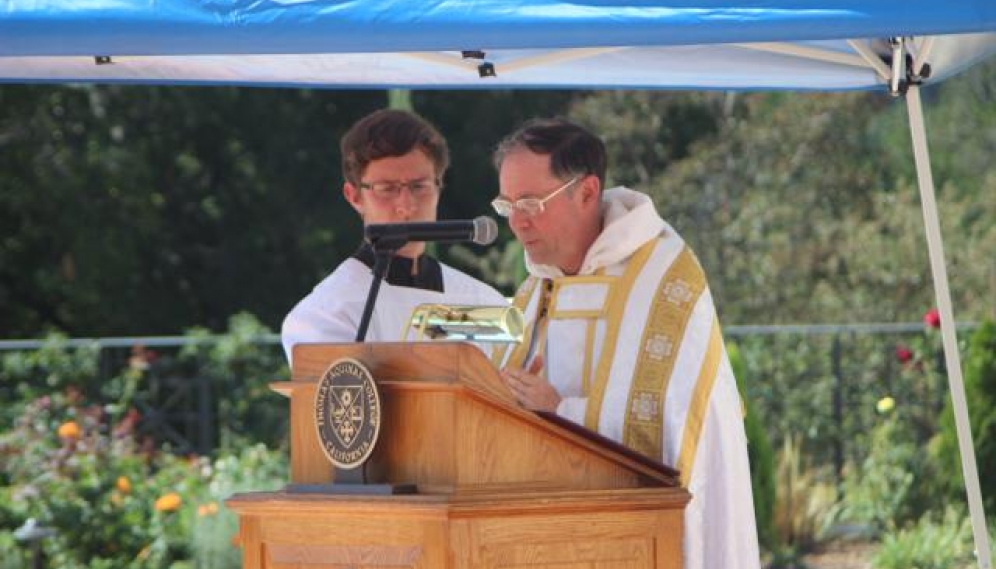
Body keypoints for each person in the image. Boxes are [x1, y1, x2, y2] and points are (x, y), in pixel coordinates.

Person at [490, 118, 760, 569]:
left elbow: (666, 426)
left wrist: (560, 411)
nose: (517, 222)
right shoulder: (536, 290)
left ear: (588, 191)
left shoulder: (663, 279)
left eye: (532, 203)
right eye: (508, 204)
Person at [281, 109, 507, 363]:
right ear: (354, 196)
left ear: (439, 186)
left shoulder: (481, 303)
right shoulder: (326, 313)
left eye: (419, 187)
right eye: (387, 189)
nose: (406, 205)